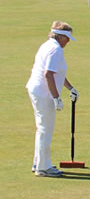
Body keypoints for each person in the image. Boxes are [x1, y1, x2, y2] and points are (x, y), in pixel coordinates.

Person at [26, 21, 79, 177]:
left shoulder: (47, 45)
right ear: (61, 37)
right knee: (45, 128)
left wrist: (71, 88)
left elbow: (57, 73)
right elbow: (48, 74)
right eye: (67, 39)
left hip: (37, 90)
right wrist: (56, 98)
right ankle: (43, 168)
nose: (68, 42)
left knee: (42, 127)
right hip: (44, 92)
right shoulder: (56, 49)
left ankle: (38, 161)